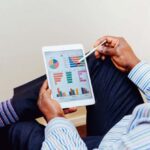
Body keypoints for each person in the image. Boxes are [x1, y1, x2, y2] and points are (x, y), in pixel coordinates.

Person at [0, 35, 148, 150]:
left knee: (18, 130)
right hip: (132, 130)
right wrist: (134, 65)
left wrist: (56, 118)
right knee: (103, 62)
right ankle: (5, 111)